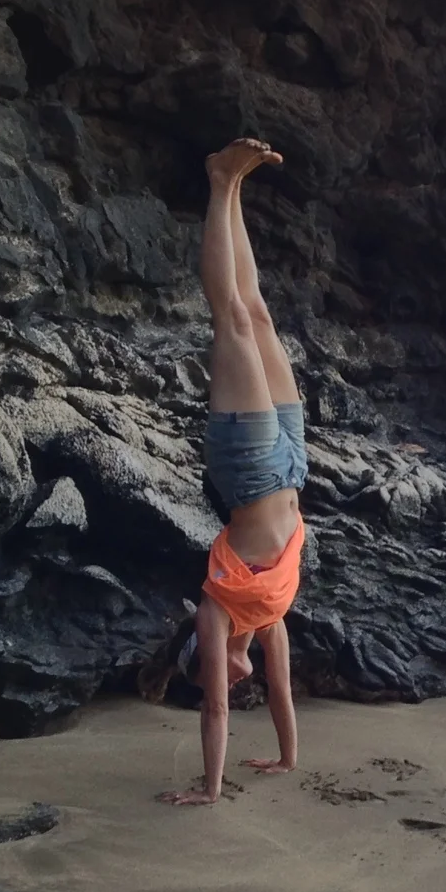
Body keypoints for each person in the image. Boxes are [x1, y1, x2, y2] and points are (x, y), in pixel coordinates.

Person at [161, 137, 306, 806]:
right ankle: (237, 185)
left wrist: (211, 789)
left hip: (248, 470)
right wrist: (285, 756)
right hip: (293, 462)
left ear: (205, 659)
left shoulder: (217, 610)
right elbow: (281, 690)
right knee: (258, 315)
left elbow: (214, 711)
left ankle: (221, 182)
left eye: (217, 673)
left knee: (232, 325)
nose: (231, 682)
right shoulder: (269, 621)